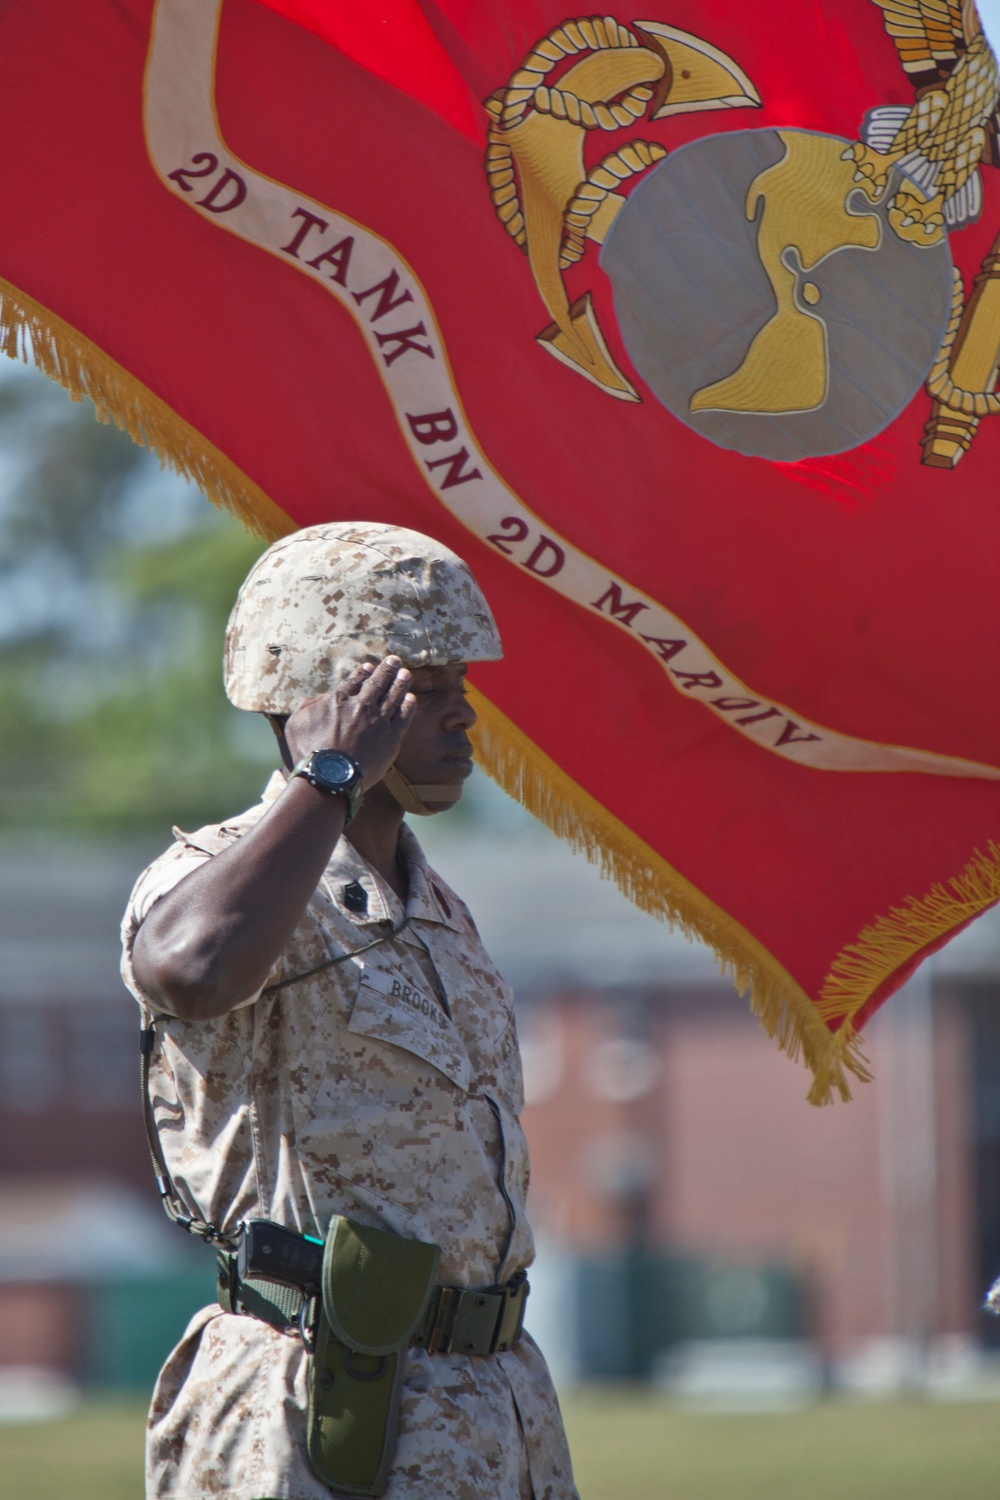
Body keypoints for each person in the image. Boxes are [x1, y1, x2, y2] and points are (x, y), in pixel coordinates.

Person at [120, 522, 578, 1500]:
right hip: (317, 1409)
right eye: (425, 692)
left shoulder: (435, 904)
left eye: (463, 689)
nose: (463, 718)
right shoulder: (224, 876)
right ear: (330, 701)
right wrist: (325, 779)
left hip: (487, 1409)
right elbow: (189, 968)